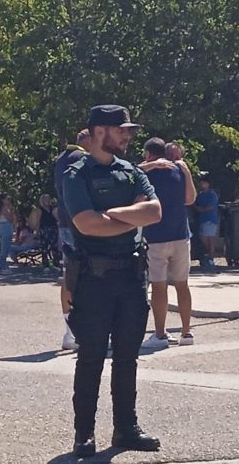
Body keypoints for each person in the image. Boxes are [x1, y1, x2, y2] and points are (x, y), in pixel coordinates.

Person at [62, 104, 162, 457]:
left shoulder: (131, 172)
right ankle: (83, 433)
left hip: (131, 278)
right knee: (90, 357)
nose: (128, 136)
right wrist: (130, 217)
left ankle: (126, 428)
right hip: (93, 280)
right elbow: (86, 224)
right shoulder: (76, 175)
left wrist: (112, 216)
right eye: (122, 129)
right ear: (100, 131)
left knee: (127, 357)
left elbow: (154, 211)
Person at [138, 138, 196, 349]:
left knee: (159, 287)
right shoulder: (178, 170)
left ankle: (160, 333)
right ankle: (186, 332)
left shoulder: (146, 173)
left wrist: (149, 166)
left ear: (148, 154)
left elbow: (132, 180)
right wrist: (186, 171)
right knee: (182, 285)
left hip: (156, 235)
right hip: (180, 234)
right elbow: (190, 199)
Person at [54, 129, 91, 350]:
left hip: (66, 223)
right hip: (81, 224)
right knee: (88, 275)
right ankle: (83, 331)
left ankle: (70, 331)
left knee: (69, 274)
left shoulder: (60, 160)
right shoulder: (82, 159)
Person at [194, 175, 219, 268]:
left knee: (210, 240)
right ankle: (207, 256)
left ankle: (211, 259)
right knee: (203, 239)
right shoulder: (200, 195)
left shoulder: (212, 194)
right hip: (202, 220)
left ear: (208, 184)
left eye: (203, 182)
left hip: (210, 220)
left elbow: (210, 207)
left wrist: (200, 209)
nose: (201, 184)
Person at [0, 193, 15, 274]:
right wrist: (12, 211)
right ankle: (2, 267)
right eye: (7, 199)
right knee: (4, 249)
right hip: (6, 227)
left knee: (4, 247)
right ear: (3, 200)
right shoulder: (5, 208)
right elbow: (10, 219)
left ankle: (5, 266)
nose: (9, 201)